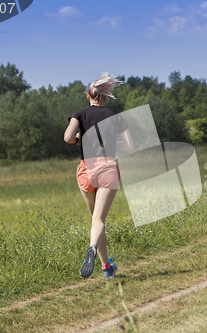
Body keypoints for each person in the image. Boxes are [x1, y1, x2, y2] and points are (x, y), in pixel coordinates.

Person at [64, 72, 133, 279]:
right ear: (105, 96)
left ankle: (106, 268)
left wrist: (81, 141)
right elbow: (129, 145)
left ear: (88, 95)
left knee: (95, 220)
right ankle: (92, 247)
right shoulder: (114, 114)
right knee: (99, 220)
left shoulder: (80, 113)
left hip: (86, 170)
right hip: (106, 168)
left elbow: (67, 137)